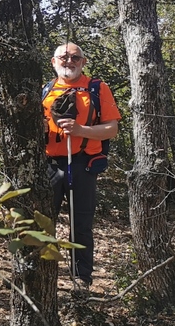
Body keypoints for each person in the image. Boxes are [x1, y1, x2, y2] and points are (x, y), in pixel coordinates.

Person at [42, 42, 121, 294]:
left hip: (83, 164)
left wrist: (80, 131)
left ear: (83, 62)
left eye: (75, 57)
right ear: (53, 62)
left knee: (81, 224)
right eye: (63, 57)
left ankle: (81, 279)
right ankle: (43, 276)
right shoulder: (45, 90)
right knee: (43, 223)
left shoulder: (97, 89)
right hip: (50, 165)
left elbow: (112, 128)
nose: (69, 61)